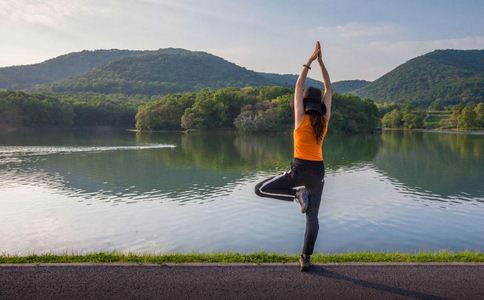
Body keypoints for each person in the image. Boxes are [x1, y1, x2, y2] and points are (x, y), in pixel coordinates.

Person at [254, 41, 332, 272]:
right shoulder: (324, 123)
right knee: (313, 219)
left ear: (305, 104)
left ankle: (297, 194)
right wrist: (322, 62)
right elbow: (329, 87)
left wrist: (309, 61)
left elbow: (298, 86)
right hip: (317, 173)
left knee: (260, 189)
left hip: (299, 170)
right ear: (320, 106)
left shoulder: (300, 119)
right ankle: (305, 258)